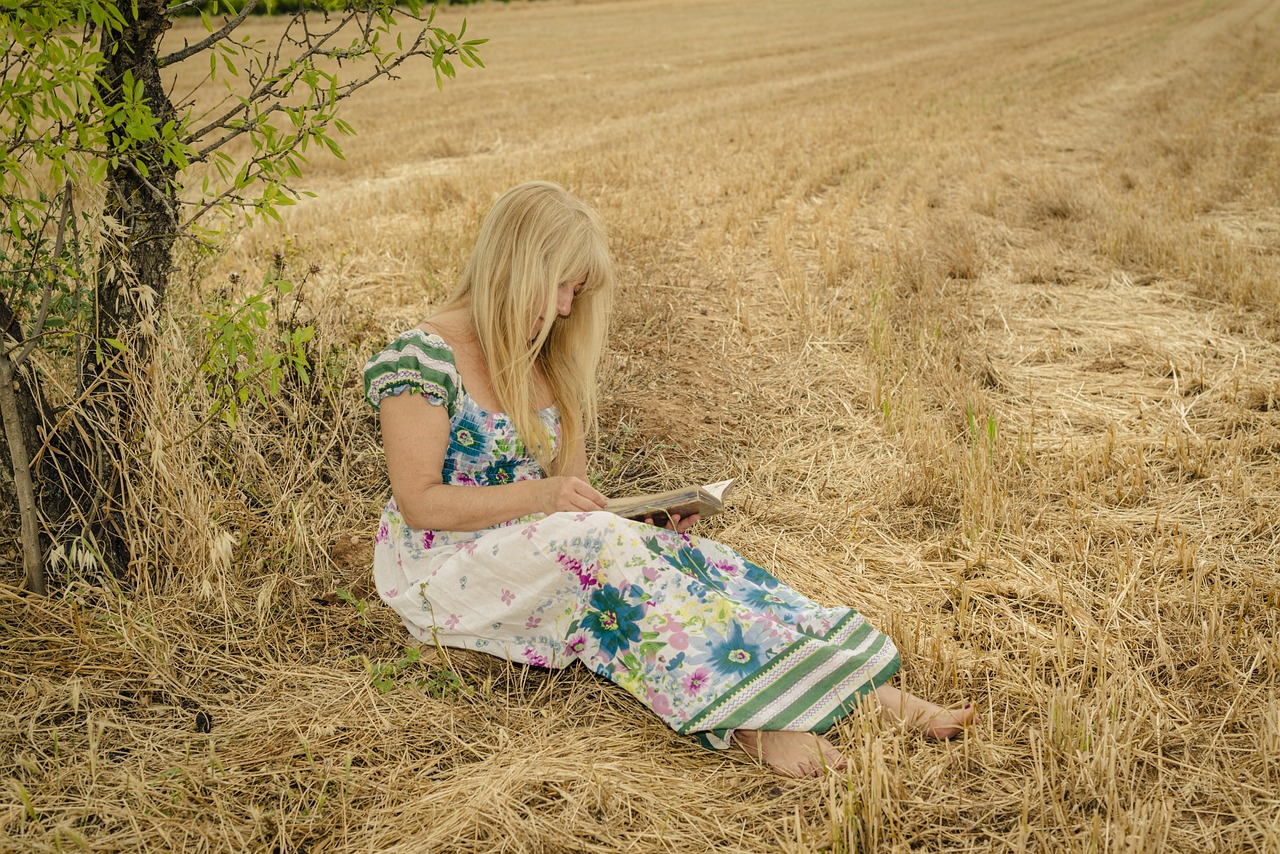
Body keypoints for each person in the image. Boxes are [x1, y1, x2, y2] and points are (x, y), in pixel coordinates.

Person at [363, 181, 978, 778]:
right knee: (600, 549)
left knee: (697, 556)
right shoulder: (422, 356)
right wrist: (550, 499)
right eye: (560, 285)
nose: (565, 308)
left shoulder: (548, 361)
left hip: (536, 544)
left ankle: (855, 686)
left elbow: (569, 499)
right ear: (518, 266)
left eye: (575, 291)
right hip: (443, 563)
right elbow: (420, 503)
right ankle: (751, 719)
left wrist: (640, 519)